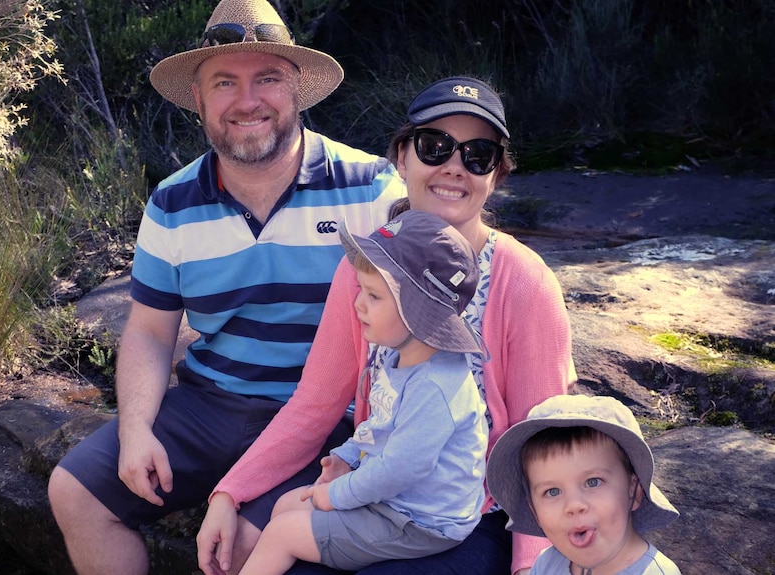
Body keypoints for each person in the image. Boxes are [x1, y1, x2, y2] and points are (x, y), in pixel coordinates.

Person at [46, 0, 405, 572]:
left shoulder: (372, 190)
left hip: (329, 415)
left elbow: (421, 322)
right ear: (199, 99)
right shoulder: (171, 203)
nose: (246, 101)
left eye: (267, 78)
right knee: (75, 493)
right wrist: (136, 429)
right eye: (224, 82)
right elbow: (148, 331)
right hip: (210, 403)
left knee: (243, 546)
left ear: (296, 90)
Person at [198, 76, 576, 575]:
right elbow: (315, 404)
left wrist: (531, 566)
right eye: (434, 146)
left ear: (496, 176)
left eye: (477, 155)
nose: (453, 167)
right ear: (402, 157)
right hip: (375, 491)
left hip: (470, 515)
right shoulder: (365, 268)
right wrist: (230, 492)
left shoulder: (524, 282)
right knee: (258, 548)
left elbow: (542, 441)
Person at [240, 209, 489, 574]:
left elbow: (400, 468)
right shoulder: (397, 355)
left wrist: (336, 494)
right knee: (286, 507)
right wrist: (347, 455)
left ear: (419, 311)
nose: (358, 304)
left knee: (281, 533)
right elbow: (381, 425)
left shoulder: (435, 386)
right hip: (390, 499)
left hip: (422, 522)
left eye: (374, 295)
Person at [486, 394, 681, 575]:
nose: (573, 505)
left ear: (634, 492)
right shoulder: (547, 564)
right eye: (552, 491)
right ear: (534, 511)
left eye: (593, 482)